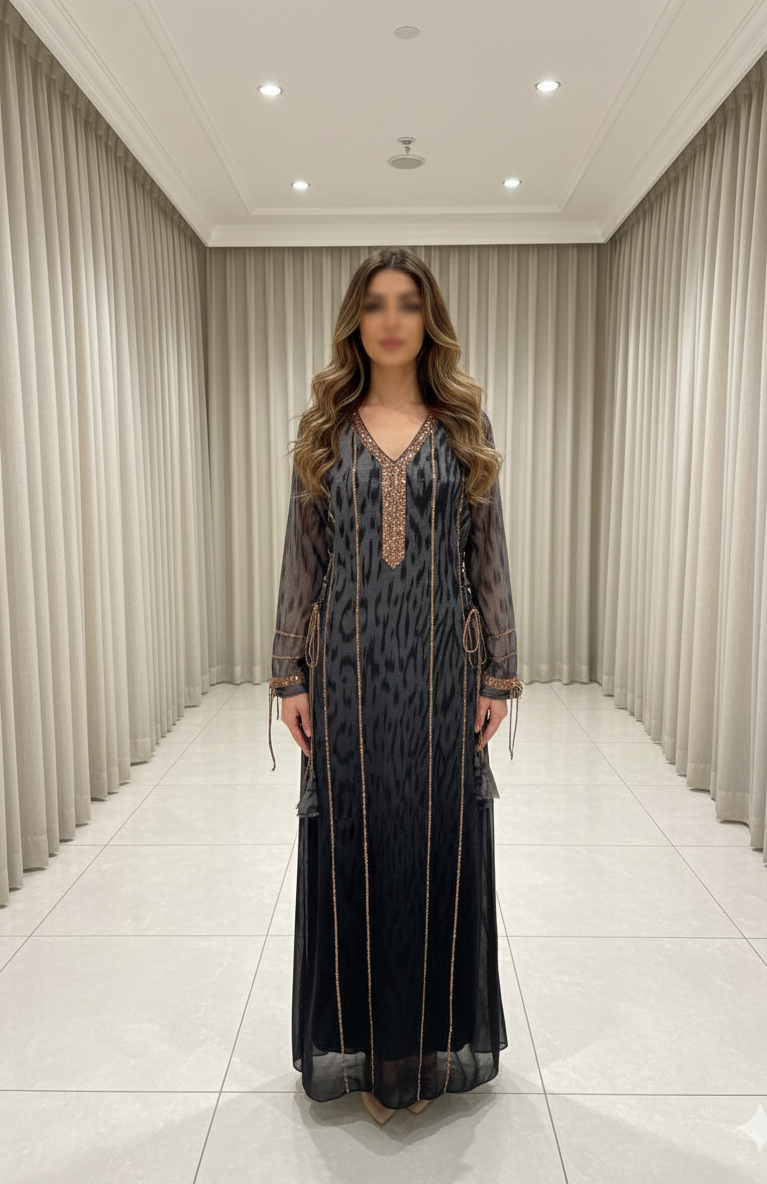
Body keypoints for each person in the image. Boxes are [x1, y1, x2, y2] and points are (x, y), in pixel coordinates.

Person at [267, 247, 523, 1124]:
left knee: (433, 846)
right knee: (357, 846)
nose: (390, 320)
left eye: (407, 303)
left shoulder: (462, 429)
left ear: (427, 320)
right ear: (357, 321)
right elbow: (304, 560)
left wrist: (498, 673)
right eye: (374, 304)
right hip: (345, 673)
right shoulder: (325, 432)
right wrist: (290, 676)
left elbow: (487, 557)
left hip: (442, 673)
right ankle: (368, 1051)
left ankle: (425, 1050)